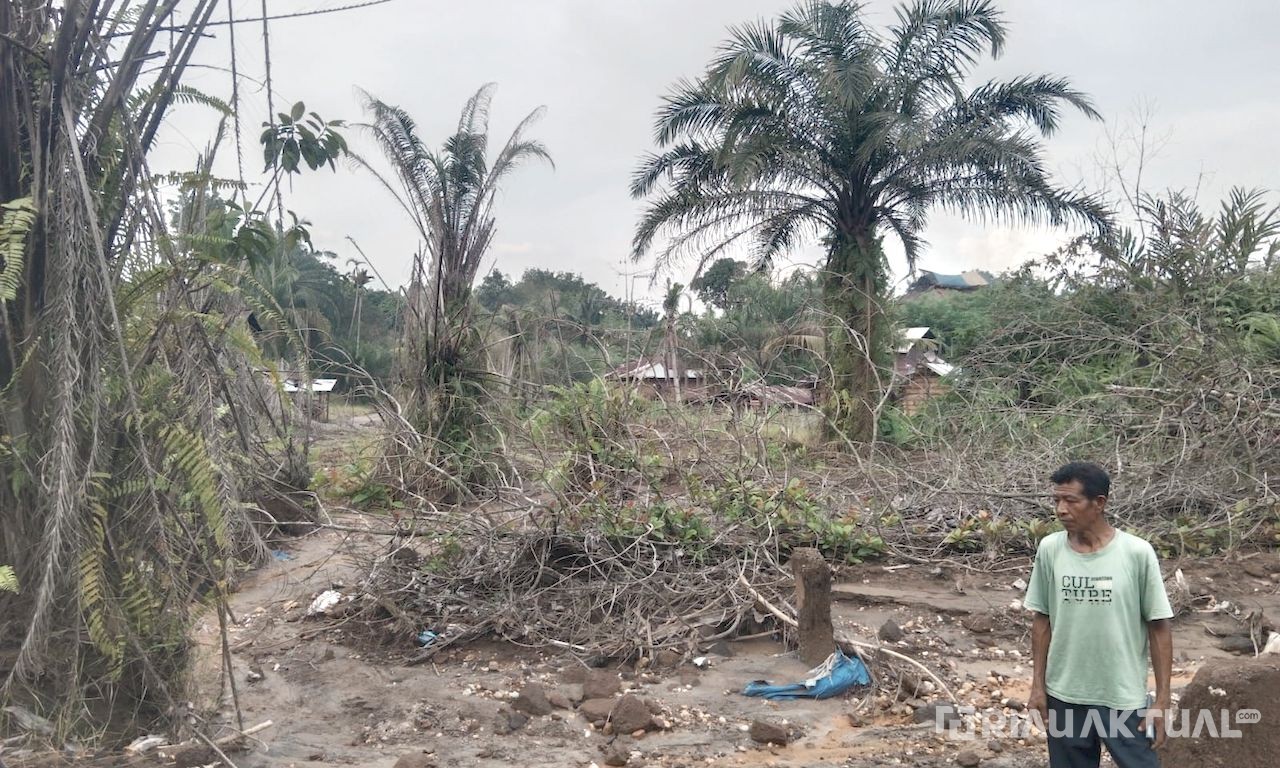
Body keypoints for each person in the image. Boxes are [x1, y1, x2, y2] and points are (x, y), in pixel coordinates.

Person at [1024, 461, 1174, 768]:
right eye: (1057, 501)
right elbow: (1042, 621)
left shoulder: (1136, 553)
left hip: (1122, 696)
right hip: (1065, 695)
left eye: (1071, 501)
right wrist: (1038, 686)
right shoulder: (1050, 550)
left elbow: (1158, 627)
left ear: (1099, 503)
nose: (1061, 510)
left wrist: (1161, 700)